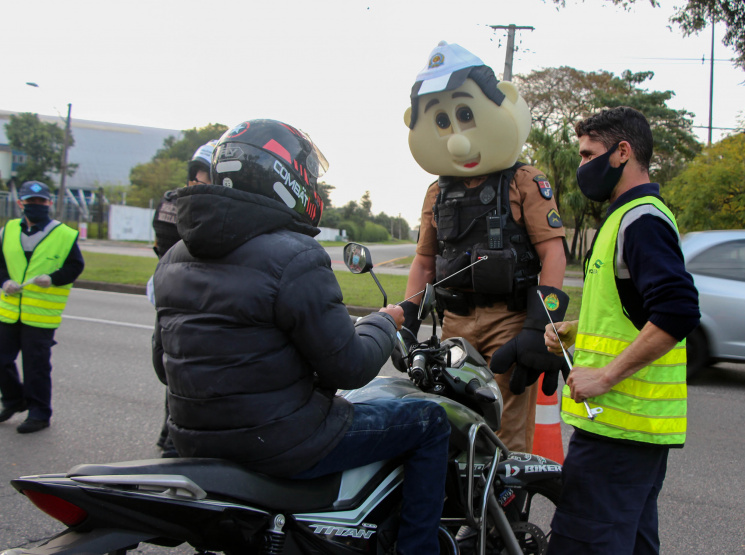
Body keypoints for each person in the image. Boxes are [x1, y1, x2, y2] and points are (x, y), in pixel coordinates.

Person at [151, 119, 450, 555]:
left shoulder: (173, 257)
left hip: (191, 440)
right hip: (281, 443)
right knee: (430, 422)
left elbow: (164, 366)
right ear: (287, 179)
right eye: (307, 175)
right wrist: (386, 322)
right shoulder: (296, 255)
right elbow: (349, 367)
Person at [543, 107, 700, 554]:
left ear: (622, 152)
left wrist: (605, 376)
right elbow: (633, 311)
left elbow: (678, 311)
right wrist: (576, 329)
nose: (581, 167)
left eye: (588, 153)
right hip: (627, 435)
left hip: (616, 432)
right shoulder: (623, 218)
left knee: (583, 545)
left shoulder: (642, 220)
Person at [402, 41, 568, 453]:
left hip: (509, 322)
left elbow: (552, 253)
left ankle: (504, 514)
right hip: (456, 324)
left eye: (465, 114)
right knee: (455, 427)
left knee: (505, 432)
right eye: (443, 120)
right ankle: (463, 513)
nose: (457, 137)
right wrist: (404, 319)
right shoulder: (436, 192)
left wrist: (538, 327)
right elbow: (424, 263)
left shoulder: (523, 180)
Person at [0, 181, 85, 434]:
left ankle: (39, 413)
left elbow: (74, 267)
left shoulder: (63, 234)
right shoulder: (7, 231)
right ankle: (15, 400)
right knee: (1, 360)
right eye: (30, 202)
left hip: (40, 315)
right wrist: (4, 281)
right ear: (20, 204)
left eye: (41, 202)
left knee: (36, 366)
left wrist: (53, 279)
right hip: (9, 310)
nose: (35, 206)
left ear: (49, 203)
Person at [150, 139, 216, 455]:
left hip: (201, 295)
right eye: (203, 175)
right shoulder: (175, 204)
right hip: (182, 295)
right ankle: (172, 444)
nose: (205, 182)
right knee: (181, 370)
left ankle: (174, 440)